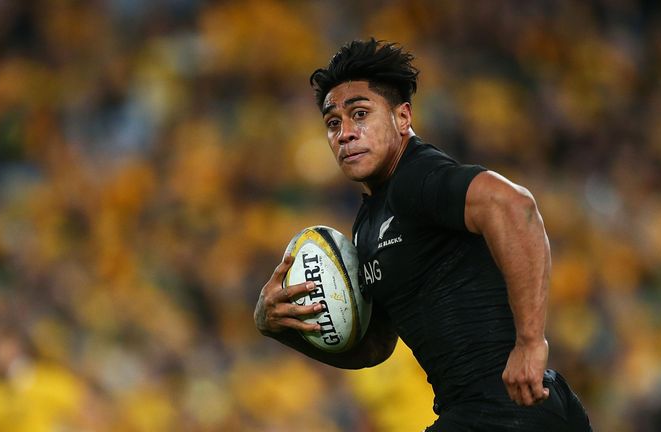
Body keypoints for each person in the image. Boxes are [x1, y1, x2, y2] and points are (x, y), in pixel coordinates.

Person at [254, 38, 593, 431]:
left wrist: (531, 343)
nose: (345, 133)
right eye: (333, 123)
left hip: (504, 407)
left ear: (403, 118)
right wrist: (277, 327)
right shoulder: (367, 226)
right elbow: (377, 346)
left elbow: (515, 206)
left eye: (359, 114)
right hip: (506, 410)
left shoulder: (416, 178)